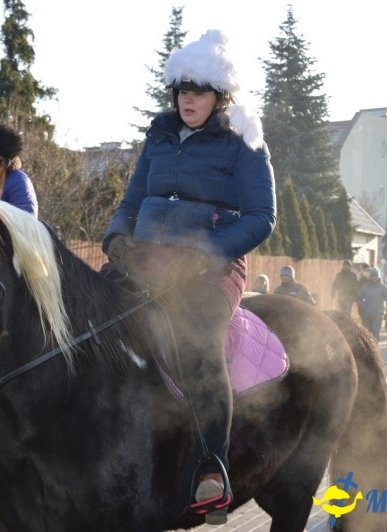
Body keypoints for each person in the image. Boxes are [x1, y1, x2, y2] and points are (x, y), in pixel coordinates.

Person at [101, 29, 275, 522]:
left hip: (211, 268)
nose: (188, 99)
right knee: (85, 320)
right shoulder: (158, 136)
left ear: (220, 95)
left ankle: (211, 466)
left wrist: (205, 255)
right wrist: (117, 237)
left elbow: (262, 216)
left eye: (198, 90)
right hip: (145, 262)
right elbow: (131, 202)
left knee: (199, 347)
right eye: (181, 90)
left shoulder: (244, 141)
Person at [356, 267, 387, 342]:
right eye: (372, 276)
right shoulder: (365, 287)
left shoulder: (383, 288)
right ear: (370, 277)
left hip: (378, 314)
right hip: (367, 313)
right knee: (367, 333)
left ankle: (375, 349)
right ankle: (369, 350)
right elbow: (359, 298)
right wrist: (363, 307)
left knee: (375, 332)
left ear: (378, 277)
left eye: (375, 276)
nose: (374, 278)